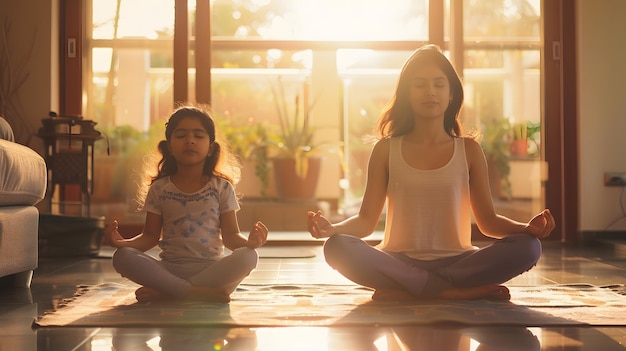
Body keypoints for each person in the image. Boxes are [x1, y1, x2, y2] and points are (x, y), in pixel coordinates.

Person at [307, 45, 555, 301]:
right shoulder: (385, 150)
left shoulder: (469, 150)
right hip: (398, 260)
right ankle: (450, 291)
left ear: (450, 94)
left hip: (459, 262)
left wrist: (527, 229)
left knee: (528, 247)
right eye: (419, 85)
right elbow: (365, 222)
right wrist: (331, 230)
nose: (430, 92)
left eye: (439, 84)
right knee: (337, 247)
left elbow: (488, 222)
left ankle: (414, 288)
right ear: (407, 94)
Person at [103, 106, 268, 303]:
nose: (190, 141)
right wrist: (124, 243)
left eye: (198, 136)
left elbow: (231, 237)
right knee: (122, 257)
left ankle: (172, 293)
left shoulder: (221, 187)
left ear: (211, 148)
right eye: (181, 135)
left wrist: (250, 244)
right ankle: (194, 293)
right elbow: (150, 237)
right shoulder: (160, 188)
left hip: (211, 270)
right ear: (170, 147)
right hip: (170, 269)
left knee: (249, 256)